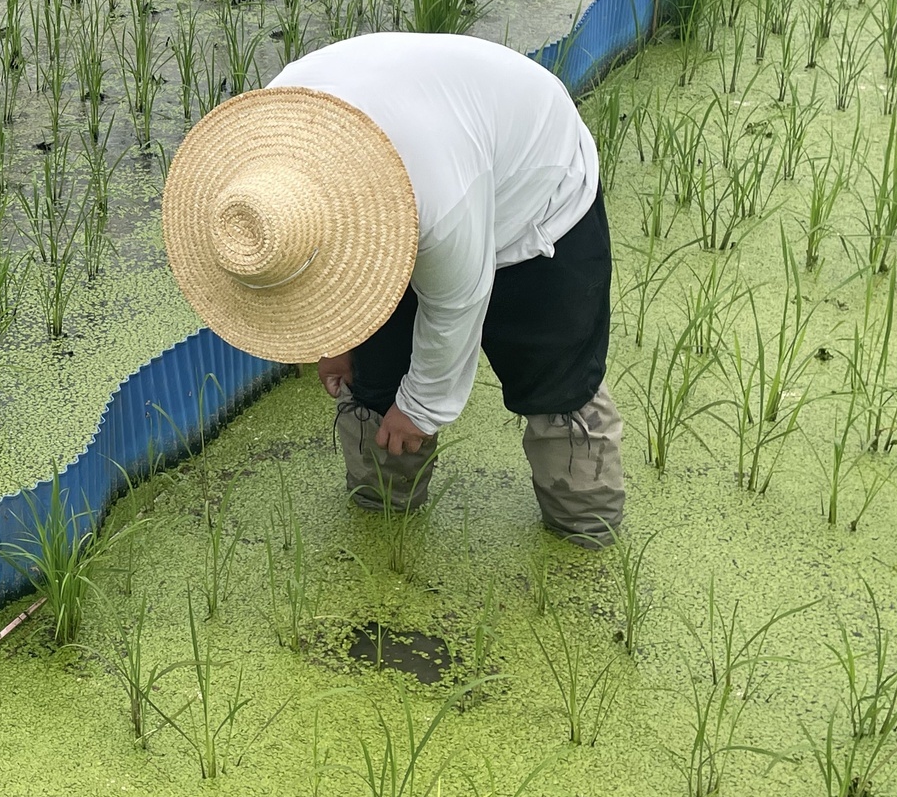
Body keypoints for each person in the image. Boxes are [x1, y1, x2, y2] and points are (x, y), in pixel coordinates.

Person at [162, 32, 621, 548]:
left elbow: (457, 304)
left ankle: (583, 522)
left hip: (537, 193)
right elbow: (306, 266)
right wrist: (334, 342)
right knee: (374, 383)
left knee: (559, 387)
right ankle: (383, 507)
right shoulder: (270, 151)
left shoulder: (440, 204)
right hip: (418, 159)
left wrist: (421, 410)